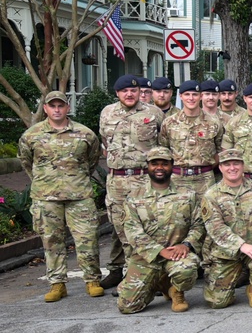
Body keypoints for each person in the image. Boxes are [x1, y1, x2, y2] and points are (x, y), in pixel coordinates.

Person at [19, 91, 103, 302]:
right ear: (45, 108)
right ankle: (57, 283)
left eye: (61, 105)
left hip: (79, 196)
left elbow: (92, 161)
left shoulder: (85, 134)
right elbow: (27, 163)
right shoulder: (31, 135)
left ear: (67, 108)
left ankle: (92, 280)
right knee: (51, 241)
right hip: (46, 198)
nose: (57, 109)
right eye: (52, 106)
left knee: (87, 238)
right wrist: (45, 181)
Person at [117, 147, 204, 314]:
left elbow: (199, 224)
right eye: (154, 163)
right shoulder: (134, 197)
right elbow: (132, 231)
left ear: (172, 166)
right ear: (147, 167)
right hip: (147, 257)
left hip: (178, 254)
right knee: (127, 306)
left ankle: (176, 290)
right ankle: (160, 284)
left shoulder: (187, 195)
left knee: (186, 270)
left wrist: (186, 244)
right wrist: (159, 251)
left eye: (164, 164)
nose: (159, 167)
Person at [99, 74, 165, 290]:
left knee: (148, 228)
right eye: (124, 90)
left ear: (139, 92)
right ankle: (132, 277)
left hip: (144, 180)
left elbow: (164, 145)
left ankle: (151, 278)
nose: (129, 94)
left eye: (133, 90)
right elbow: (104, 143)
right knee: (123, 230)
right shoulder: (107, 113)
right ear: (117, 93)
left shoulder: (153, 113)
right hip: (117, 181)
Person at [201, 149, 252, 309]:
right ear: (220, 168)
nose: (232, 168)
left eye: (236, 163)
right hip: (226, 253)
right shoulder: (211, 195)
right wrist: (241, 246)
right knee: (217, 302)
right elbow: (216, 228)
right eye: (227, 164)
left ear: (243, 166)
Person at [159, 80, 225, 198]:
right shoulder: (169, 122)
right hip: (178, 178)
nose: (191, 98)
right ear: (181, 96)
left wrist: (208, 165)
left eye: (195, 94)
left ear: (200, 96)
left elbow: (220, 150)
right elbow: (163, 150)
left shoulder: (214, 122)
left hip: (205, 178)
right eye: (187, 94)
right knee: (179, 213)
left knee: (207, 213)